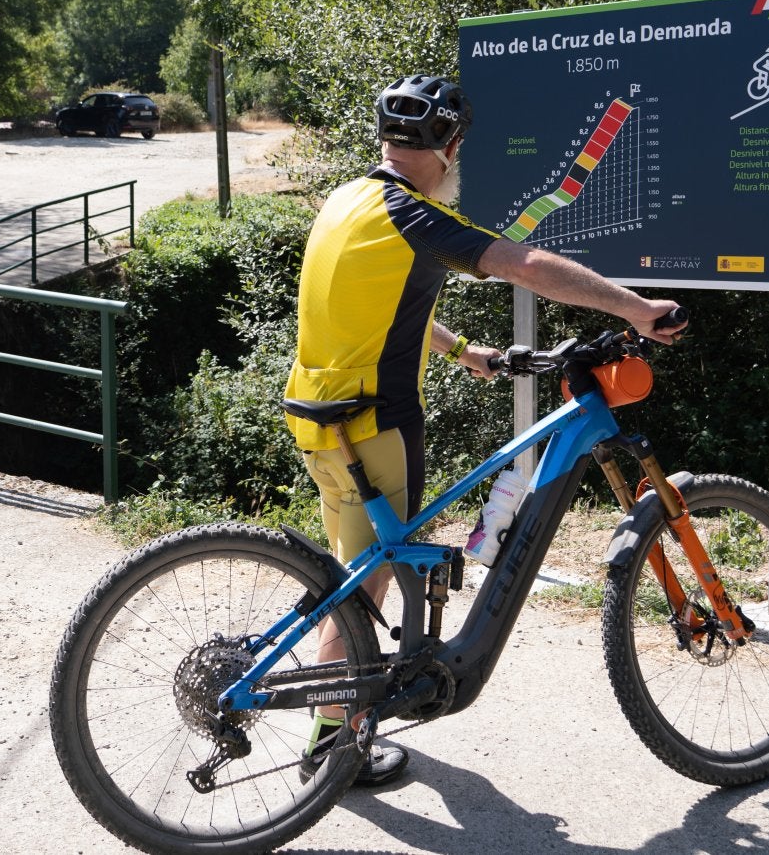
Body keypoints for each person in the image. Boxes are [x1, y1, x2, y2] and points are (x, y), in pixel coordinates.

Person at [284, 73, 686, 786]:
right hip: (376, 425)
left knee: (359, 573)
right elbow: (522, 263)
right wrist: (635, 308)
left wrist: (465, 351)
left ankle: (336, 722)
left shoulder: (348, 200)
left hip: (320, 420)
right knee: (370, 581)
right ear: (449, 146)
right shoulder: (410, 211)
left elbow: (380, 306)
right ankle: (333, 745)